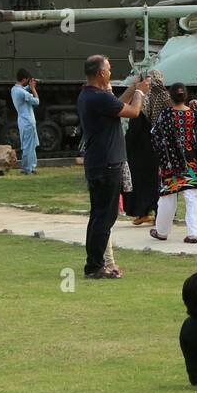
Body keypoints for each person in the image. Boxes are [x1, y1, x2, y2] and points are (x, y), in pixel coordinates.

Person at [77, 55, 148, 278]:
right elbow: (133, 111)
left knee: (99, 216)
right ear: (101, 73)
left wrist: (133, 87)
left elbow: (118, 104)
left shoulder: (90, 95)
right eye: (108, 69)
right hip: (107, 164)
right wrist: (140, 91)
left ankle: (95, 263)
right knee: (104, 218)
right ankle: (96, 267)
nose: (110, 71)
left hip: (99, 163)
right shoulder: (98, 98)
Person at [151, 82, 197, 243]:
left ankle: (161, 232)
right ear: (186, 96)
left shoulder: (165, 114)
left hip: (171, 161)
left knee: (167, 196)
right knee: (194, 195)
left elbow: (155, 136)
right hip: (192, 160)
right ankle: (194, 233)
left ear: (170, 96)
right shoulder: (193, 114)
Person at [123, 68, 169, 226]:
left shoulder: (142, 99)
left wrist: (127, 145)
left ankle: (143, 212)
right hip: (161, 147)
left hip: (142, 148)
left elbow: (135, 126)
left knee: (142, 180)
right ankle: (160, 213)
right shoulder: (165, 97)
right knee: (159, 181)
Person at [12, 69, 41, 175]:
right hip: (28, 122)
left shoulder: (14, 89)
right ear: (24, 79)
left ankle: (31, 167)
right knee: (28, 146)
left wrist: (29, 86)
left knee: (30, 146)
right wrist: (33, 89)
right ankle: (26, 169)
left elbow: (23, 90)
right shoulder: (22, 92)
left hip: (23, 121)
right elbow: (37, 101)